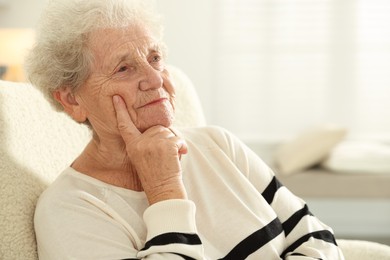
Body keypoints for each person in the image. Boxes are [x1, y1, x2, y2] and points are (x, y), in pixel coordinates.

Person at [26, 0, 345, 259]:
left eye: (155, 58)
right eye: (124, 68)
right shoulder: (69, 210)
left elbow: (317, 236)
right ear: (71, 100)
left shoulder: (217, 144)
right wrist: (165, 189)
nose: (154, 79)